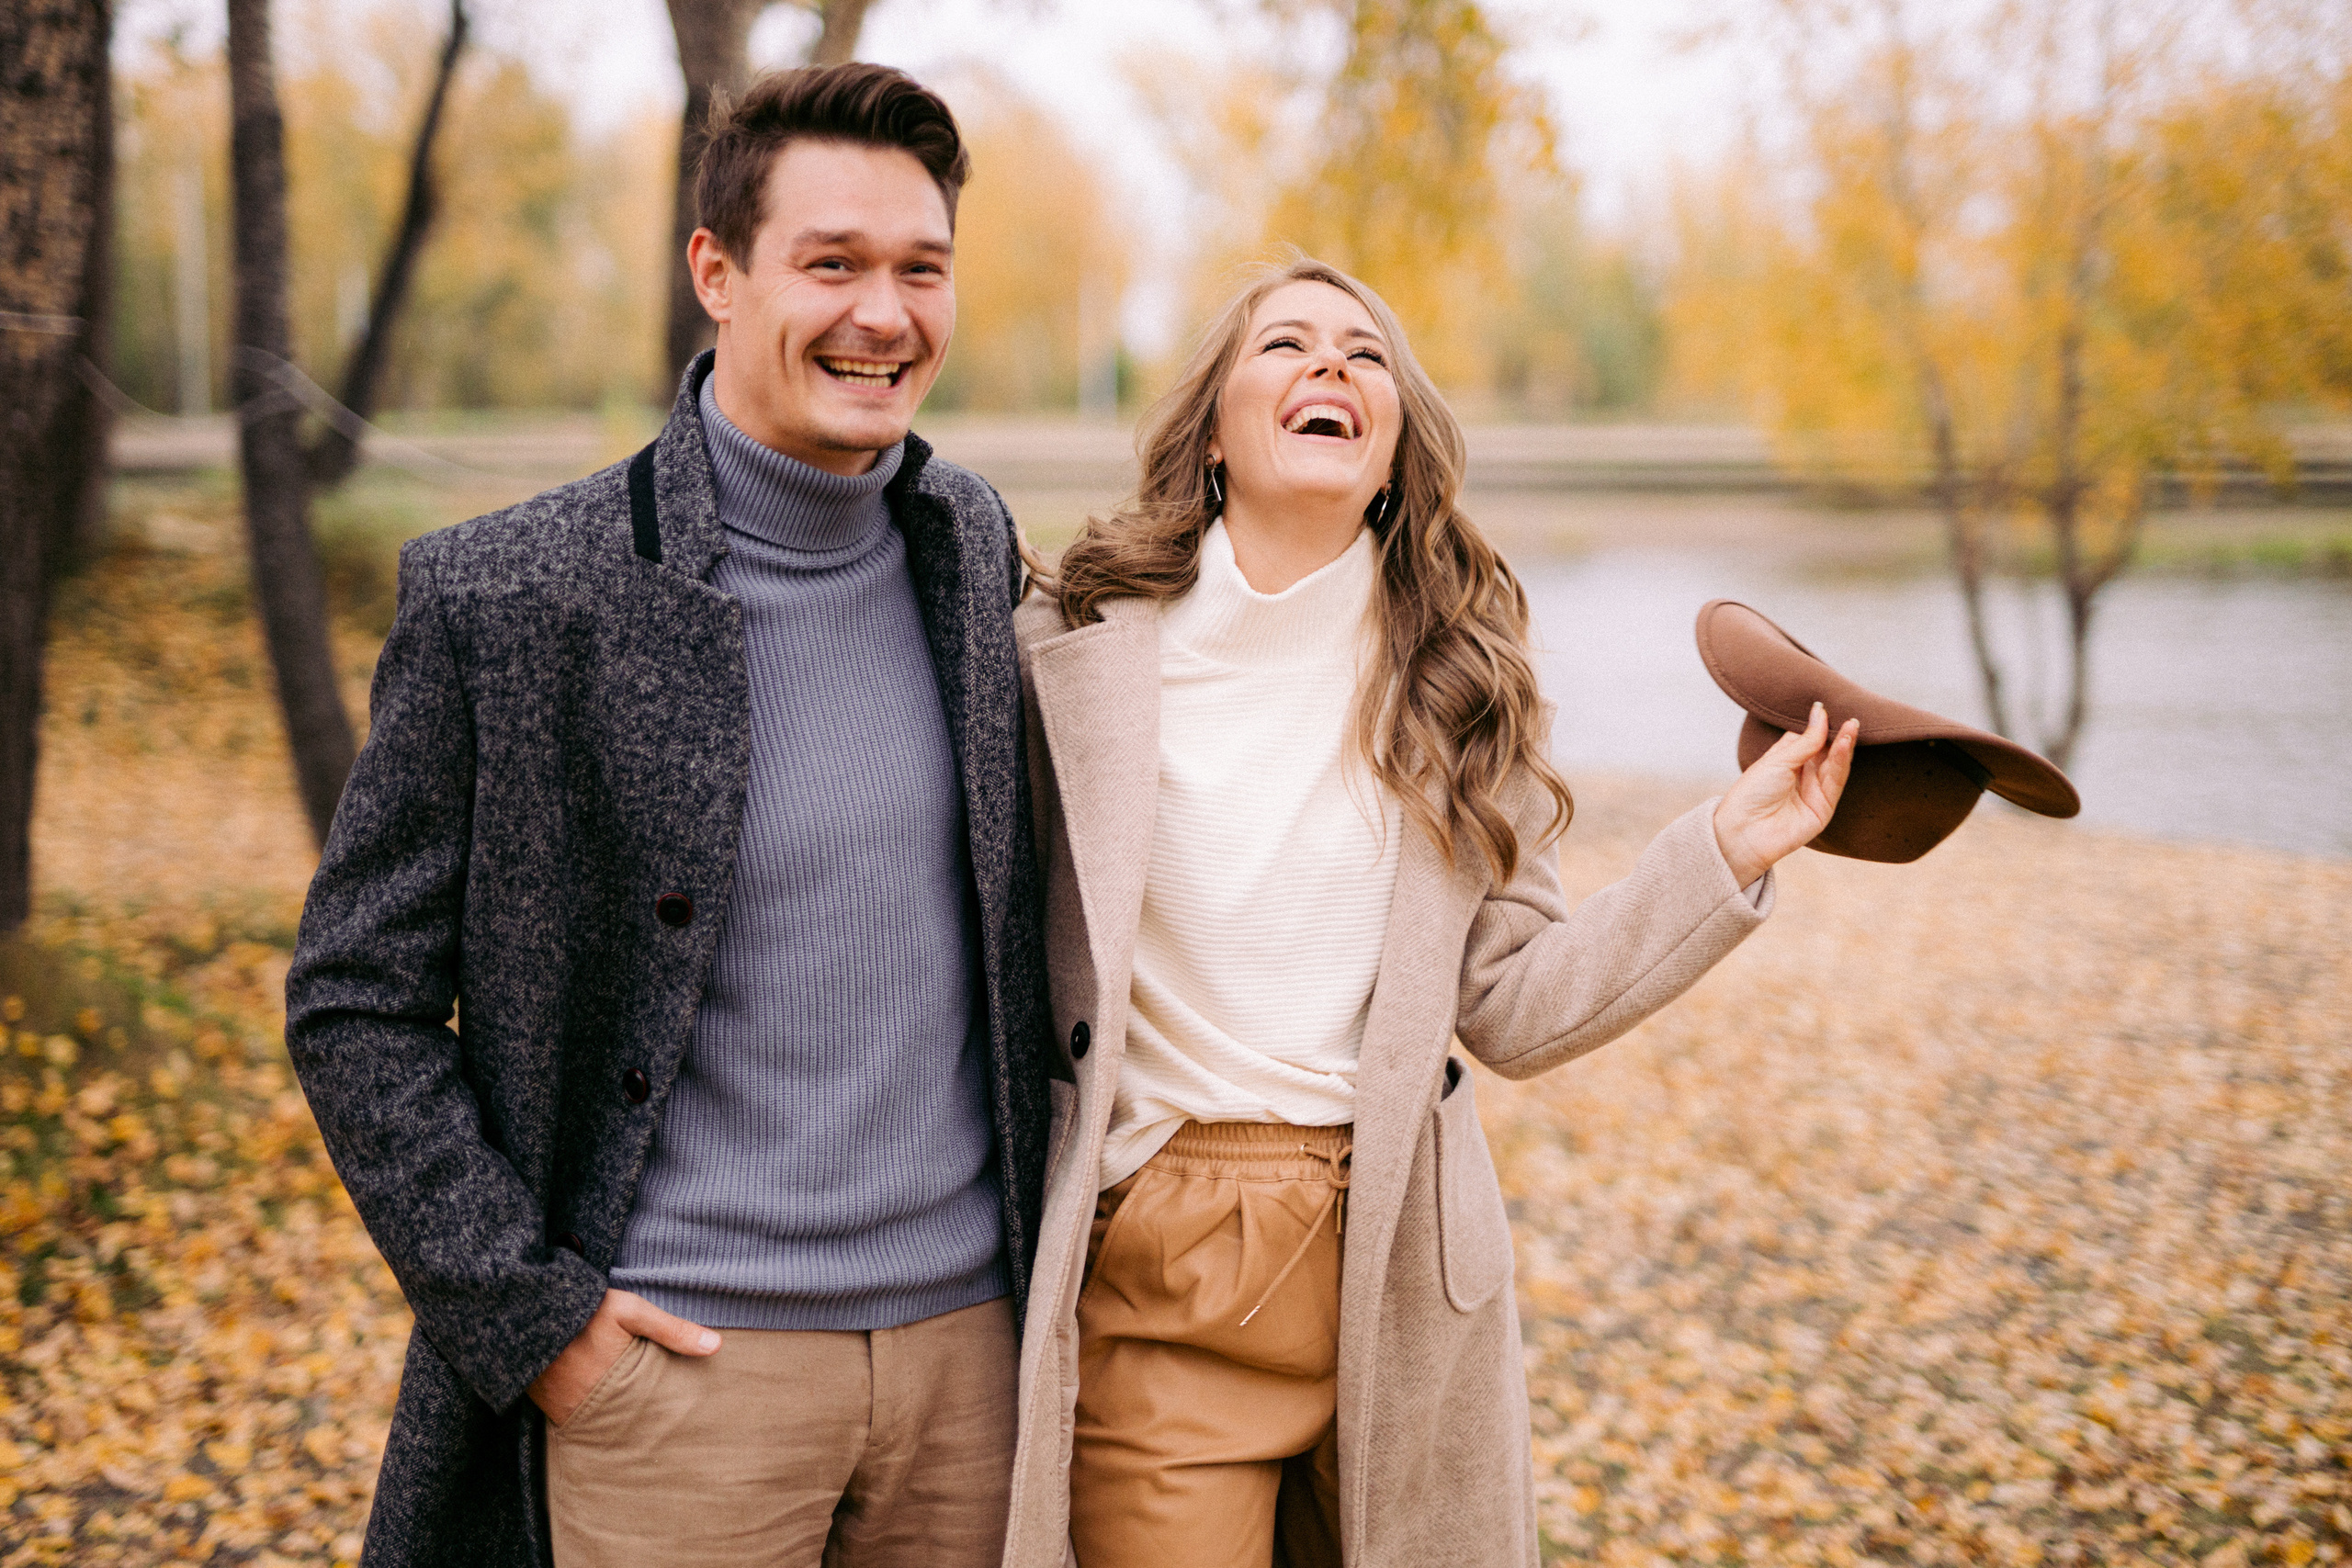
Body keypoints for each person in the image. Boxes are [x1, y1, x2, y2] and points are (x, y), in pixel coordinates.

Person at [283, 64, 1054, 1568]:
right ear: (715, 270)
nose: (882, 315)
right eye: (831, 264)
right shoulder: (514, 597)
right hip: (681, 1382)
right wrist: (537, 1319)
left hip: (974, 1371)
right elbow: (354, 1002)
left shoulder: (970, 546)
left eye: (919, 268)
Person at [997, 257, 1858, 1568]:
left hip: (1403, 1259)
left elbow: (1512, 1003)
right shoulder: (1072, 643)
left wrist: (1723, 847)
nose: (1332, 366)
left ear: (1396, 449)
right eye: (1285, 343)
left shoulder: (1461, 673)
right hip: (1165, 1260)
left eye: (1367, 354)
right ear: (1212, 431)